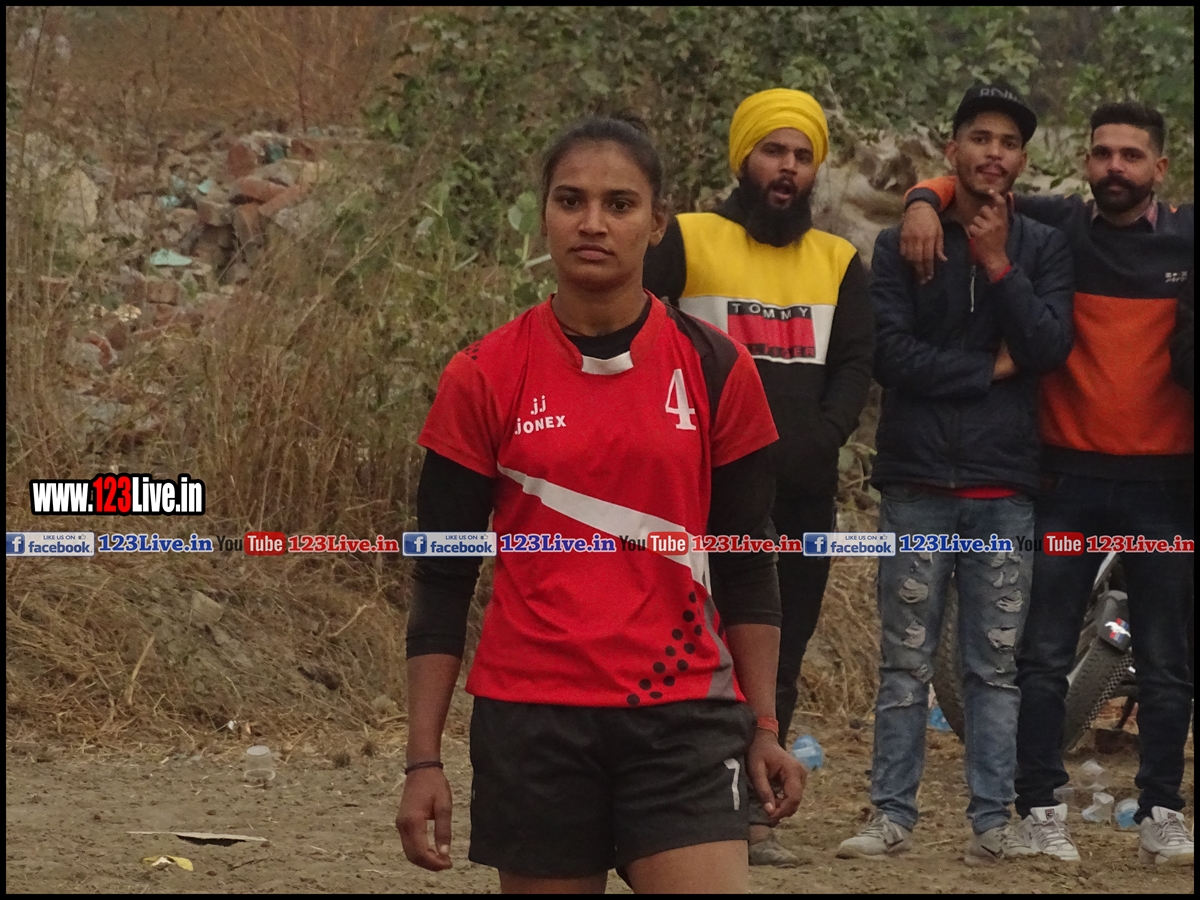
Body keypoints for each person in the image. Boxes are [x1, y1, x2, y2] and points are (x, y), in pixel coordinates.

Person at [394, 115, 806, 894]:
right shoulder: (481, 374)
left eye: (619, 204)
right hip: (533, 721)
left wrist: (763, 726)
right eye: (570, 200)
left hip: (684, 716)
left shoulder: (718, 368)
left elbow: (749, 566)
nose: (592, 223)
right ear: (543, 215)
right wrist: (423, 761)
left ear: (657, 222)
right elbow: (442, 578)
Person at [901, 101, 1195, 867]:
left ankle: (1163, 810)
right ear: (1086, 162)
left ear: (1160, 168)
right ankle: (1038, 807)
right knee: (1041, 657)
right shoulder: (1057, 226)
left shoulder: (1188, 239)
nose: (1114, 167)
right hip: (1066, 480)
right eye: (1102, 153)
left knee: (1168, 659)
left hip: (1164, 489)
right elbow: (975, 183)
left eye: (1131, 155)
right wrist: (922, 200)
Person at [836, 84, 1074, 866]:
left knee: (993, 670)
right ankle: (890, 816)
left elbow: (1048, 347)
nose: (993, 154)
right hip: (916, 486)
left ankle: (992, 822)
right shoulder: (902, 244)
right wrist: (988, 369)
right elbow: (892, 358)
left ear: (1022, 159)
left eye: (1007, 142)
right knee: (904, 662)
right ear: (953, 151)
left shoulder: (1042, 246)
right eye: (979, 138)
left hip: (1004, 491)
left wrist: (1000, 264)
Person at [643, 88, 873, 867]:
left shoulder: (838, 261)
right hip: (698, 493)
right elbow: (644, 334)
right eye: (774, 151)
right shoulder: (688, 237)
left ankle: (755, 820)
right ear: (744, 158)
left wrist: (823, 437)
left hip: (802, 497)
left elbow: (855, 364)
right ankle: (681, 812)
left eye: (803, 156)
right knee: (687, 647)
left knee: (780, 654)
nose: (788, 168)